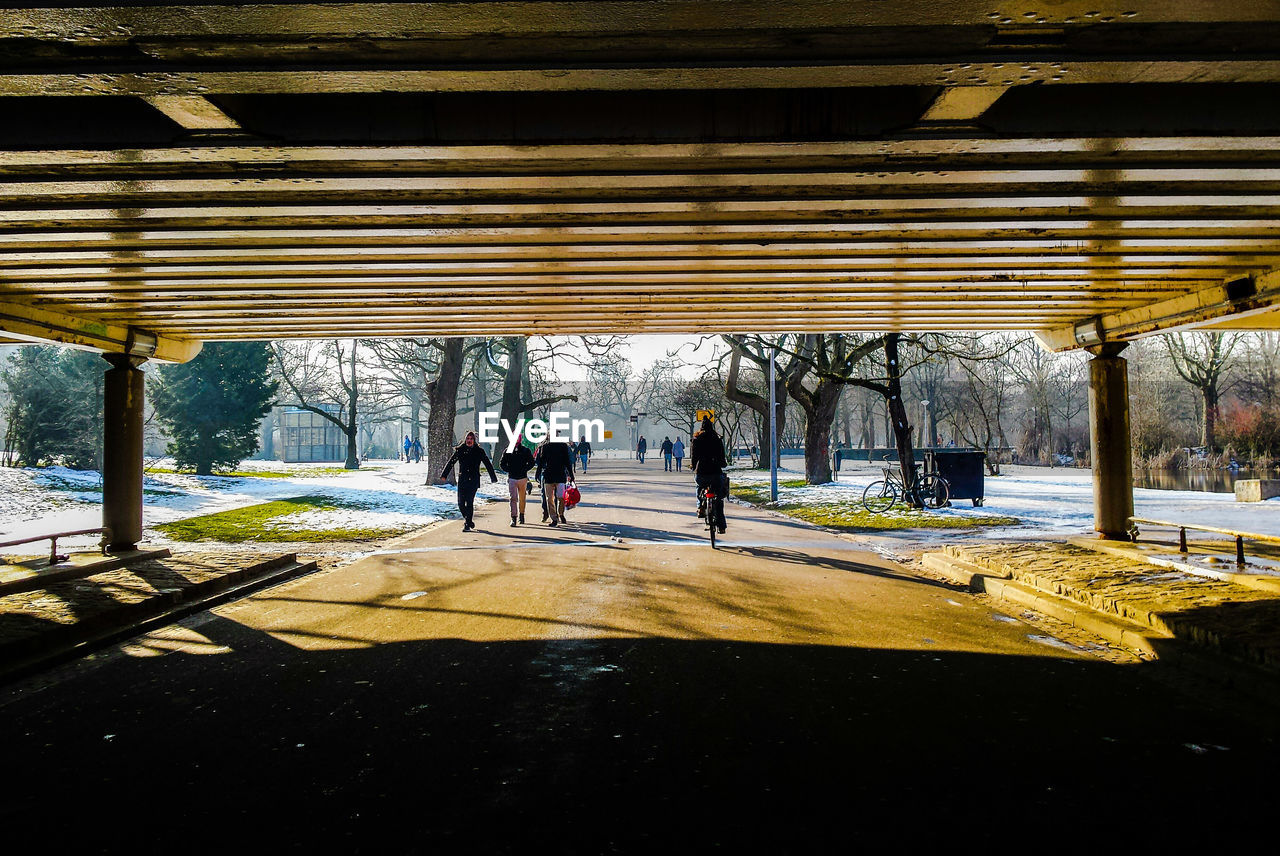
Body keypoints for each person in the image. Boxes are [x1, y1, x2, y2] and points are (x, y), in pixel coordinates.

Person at [439, 430, 497, 532]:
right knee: (461, 504)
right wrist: (444, 475)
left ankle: (467, 524)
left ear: (474, 440)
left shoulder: (479, 451)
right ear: (465, 440)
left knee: (469, 502)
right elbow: (451, 462)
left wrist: (493, 477)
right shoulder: (460, 450)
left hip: (473, 480)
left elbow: (488, 464)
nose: (469, 441)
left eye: (471, 439)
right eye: (468, 439)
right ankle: (469, 520)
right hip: (463, 480)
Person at [690, 417, 728, 534]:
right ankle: (721, 526)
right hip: (715, 472)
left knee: (699, 487)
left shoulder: (697, 439)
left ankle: (700, 506)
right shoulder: (717, 439)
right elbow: (722, 457)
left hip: (701, 472)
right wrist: (722, 463)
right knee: (719, 499)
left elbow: (694, 457)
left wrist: (693, 465)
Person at [535, 436, 575, 527]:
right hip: (550, 476)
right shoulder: (545, 447)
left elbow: (567, 462)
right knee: (551, 499)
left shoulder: (562, 446)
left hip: (558, 475)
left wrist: (571, 475)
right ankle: (554, 518)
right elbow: (541, 462)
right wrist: (538, 473)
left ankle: (560, 514)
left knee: (560, 497)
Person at [499, 434, 535, 526]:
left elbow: (531, 462)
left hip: (523, 478)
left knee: (522, 498)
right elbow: (502, 464)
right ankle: (513, 517)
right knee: (513, 498)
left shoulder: (525, 450)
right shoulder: (507, 451)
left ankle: (522, 515)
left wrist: (525, 469)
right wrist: (509, 469)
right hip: (512, 478)